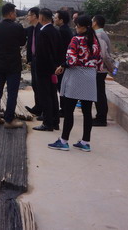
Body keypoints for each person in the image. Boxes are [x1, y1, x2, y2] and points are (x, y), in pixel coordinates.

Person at [48, 15, 102, 152]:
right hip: (90, 77)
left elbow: (71, 60)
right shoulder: (95, 40)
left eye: (77, 25)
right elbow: (99, 61)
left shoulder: (76, 39)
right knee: (87, 112)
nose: (76, 28)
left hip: (76, 76)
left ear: (82, 27)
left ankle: (64, 141)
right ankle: (85, 142)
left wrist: (62, 66)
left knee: (69, 110)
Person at [0, 3, 27, 128]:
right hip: (13, 64)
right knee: (12, 92)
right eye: (14, 12)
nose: (15, 14)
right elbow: (22, 42)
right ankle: (9, 120)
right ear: (10, 14)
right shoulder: (17, 27)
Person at [32, 8, 61, 131]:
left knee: (45, 96)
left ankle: (48, 122)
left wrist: (39, 69)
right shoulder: (55, 31)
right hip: (53, 68)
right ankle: (55, 121)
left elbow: (43, 54)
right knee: (53, 95)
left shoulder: (43, 32)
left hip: (44, 70)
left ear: (42, 17)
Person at [92, 15, 114, 126]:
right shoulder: (101, 34)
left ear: (95, 22)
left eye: (92, 21)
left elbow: (104, 55)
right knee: (99, 93)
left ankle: (101, 118)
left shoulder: (99, 35)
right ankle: (100, 116)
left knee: (99, 94)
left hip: (100, 69)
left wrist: (111, 68)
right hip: (100, 68)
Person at [54, 9, 74, 115]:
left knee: (62, 86)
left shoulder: (62, 31)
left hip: (62, 62)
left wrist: (60, 64)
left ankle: (65, 109)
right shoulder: (65, 29)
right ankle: (64, 108)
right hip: (64, 61)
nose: (54, 19)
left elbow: (60, 48)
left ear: (61, 20)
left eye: (56, 18)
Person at [24, 7, 42, 117]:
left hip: (41, 61)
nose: (27, 17)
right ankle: (37, 107)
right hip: (34, 60)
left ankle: (44, 110)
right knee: (35, 84)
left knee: (41, 86)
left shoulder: (42, 29)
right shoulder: (31, 29)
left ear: (35, 16)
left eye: (29, 15)